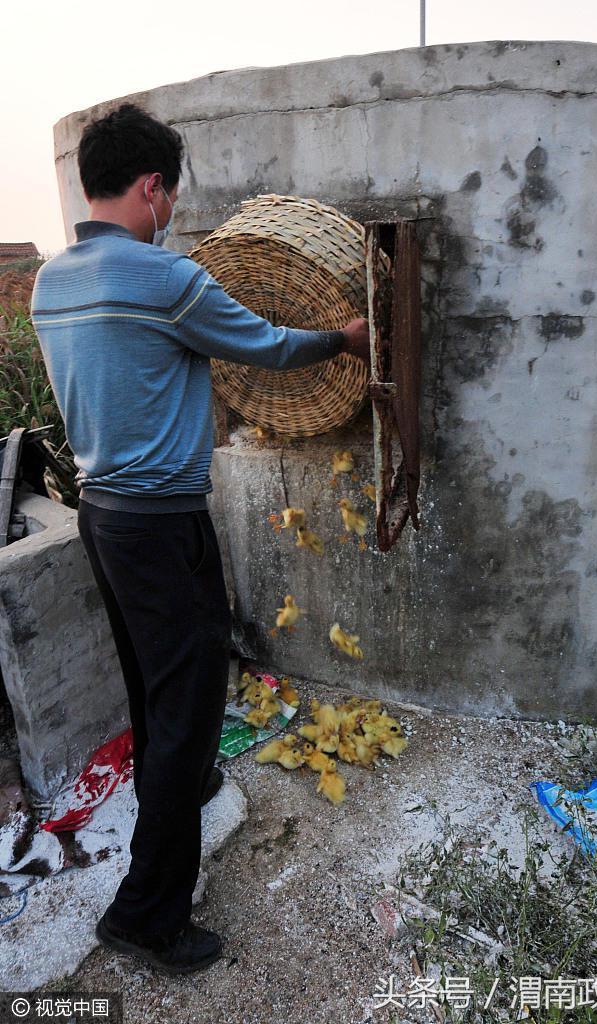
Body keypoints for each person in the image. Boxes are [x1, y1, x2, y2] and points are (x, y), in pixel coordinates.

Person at [30, 102, 370, 976]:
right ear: (150, 187)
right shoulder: (165, 280)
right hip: (162, 519)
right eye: (170, 194)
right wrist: (343, 336)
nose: (171, 210)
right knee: (189, 703)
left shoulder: (51, 282)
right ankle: (146, 915)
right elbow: (265, 346)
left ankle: (179, 788)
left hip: (104, 514)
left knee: (154, 679)